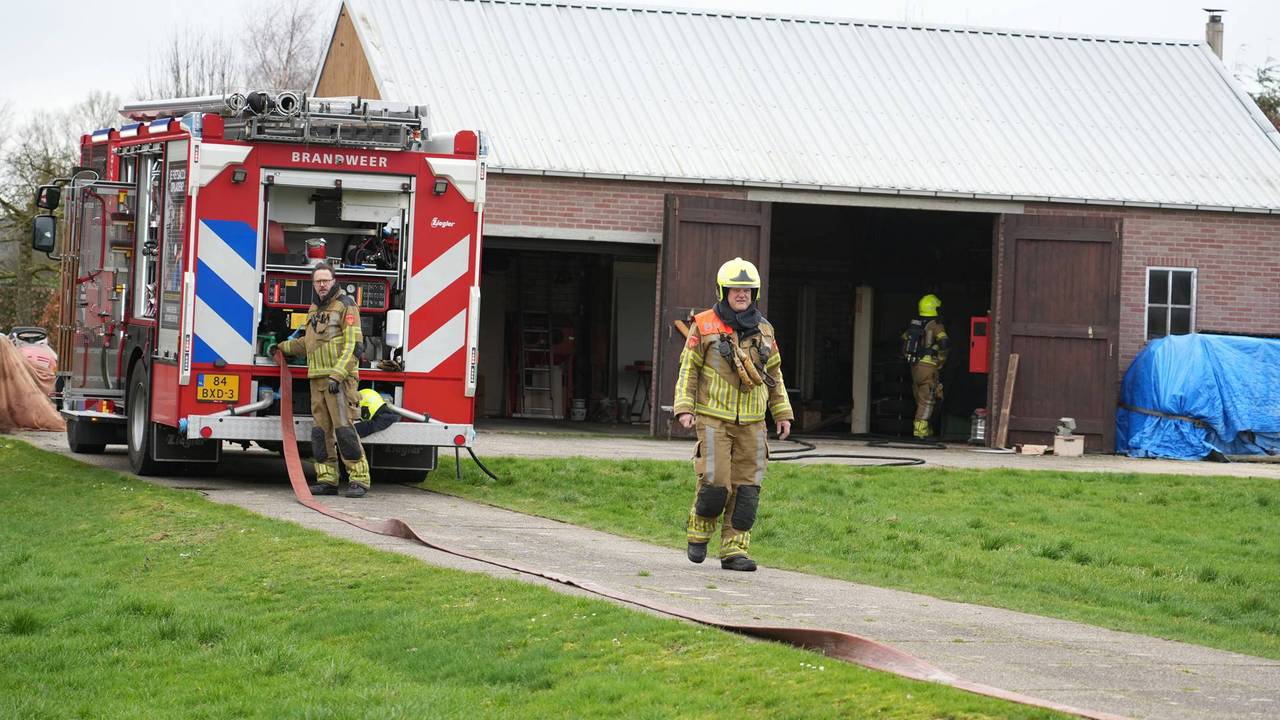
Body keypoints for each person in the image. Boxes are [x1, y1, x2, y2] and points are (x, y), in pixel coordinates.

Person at [672, 257, 793, 572]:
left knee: (747, 489)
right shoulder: (704, 324)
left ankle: (734, 551)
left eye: (748, 289)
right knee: (716, 484)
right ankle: (698, 535)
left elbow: (775, 374)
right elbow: (689, 369)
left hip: (753, 424)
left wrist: (782, 412)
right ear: (723, 290)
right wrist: (684, 407)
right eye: (735, 289)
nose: (742, 294)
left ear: (756, 293)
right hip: (713, 419)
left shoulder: (765, 329)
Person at [275, 262, 372, 497]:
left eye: (325, 280)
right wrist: (280, 347)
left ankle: (359, 479)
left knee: (344, 431)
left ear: (333, 280)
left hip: (339, 381)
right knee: (320, 433)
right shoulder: (313, 310)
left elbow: (354, 345)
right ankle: (327, 480)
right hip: (317, 380)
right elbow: (307, 344)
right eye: (317, 281)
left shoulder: (346, 306)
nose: (321, 285)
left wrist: (337, 375)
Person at [902, 293, 949, 440]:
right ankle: (920, 430)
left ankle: (926, 429)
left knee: (920, 397)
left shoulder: (915, 324)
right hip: (929, 367)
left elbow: (904, 341)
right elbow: (944, 343)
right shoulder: (936, 325)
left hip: (915, 366)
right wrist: (941, 360)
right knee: (927, 399)